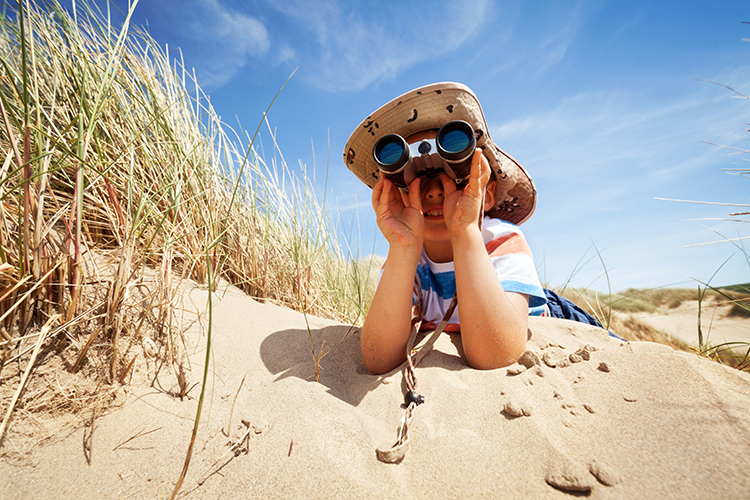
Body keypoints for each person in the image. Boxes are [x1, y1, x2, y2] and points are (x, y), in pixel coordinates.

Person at [343, 82, 596, 375]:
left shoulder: (500, 240)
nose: (435, 191)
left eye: (453, 174)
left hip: (530, 309)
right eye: (417, 178)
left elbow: (495, 355)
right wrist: (402, 246)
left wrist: (464, 231)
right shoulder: (406, 260)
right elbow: (378, 358)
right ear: (394, 193)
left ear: (485, 194)